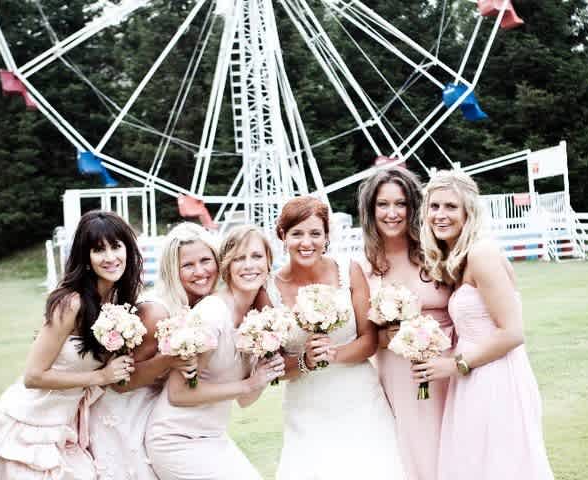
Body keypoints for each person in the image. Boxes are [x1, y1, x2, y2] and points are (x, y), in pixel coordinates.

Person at [0, 210, 143, 479]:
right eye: (99, 250)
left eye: (116, 246)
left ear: (128, 250)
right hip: (31, 425)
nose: (110, 257)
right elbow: (33, 376)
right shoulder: (70, 303)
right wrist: (101, 376)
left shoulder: (116, 303)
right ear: (86, 258)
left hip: (67, 427)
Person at [414, 170, 554, 480]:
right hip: (474, 376)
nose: (440, 215)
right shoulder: (458, 258)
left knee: (500, 466)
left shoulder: (482, 254)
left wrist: (454, 365)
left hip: (496, 376)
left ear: (468, 212)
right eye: (434, 206)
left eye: (451, 206)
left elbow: (512, 332)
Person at [266, 196, 405, 480]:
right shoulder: (269, 288)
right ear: (282, 236)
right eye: (297, 234)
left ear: (326, 236)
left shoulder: (348, 270)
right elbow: (274, 367)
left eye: (315, 233)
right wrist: (305, 361)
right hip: (306, 405)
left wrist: (334, 354)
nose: (307, 242)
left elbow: (368, 340)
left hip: (358, 398)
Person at [145, 225, 284, 480]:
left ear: (268, 262)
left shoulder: (259, 317)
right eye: (239, 258)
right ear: (227, 265)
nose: (249, 265)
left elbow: (245, 401)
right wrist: (249, 383)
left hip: (213, 436)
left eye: (256, 256)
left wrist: (264, 374)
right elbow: (178, 393)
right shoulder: (213, 312)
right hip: (177, 439)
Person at [88, 222, 218, 479]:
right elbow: (122, 383)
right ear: (172, 270)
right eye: (188, 265)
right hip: (127, 417)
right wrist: (169, 359)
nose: (200, 272)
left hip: (164, 417)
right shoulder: (155, 312)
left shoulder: (206, 307)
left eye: (205, 261)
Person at [357, 167, 453, 479]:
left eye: (401, 203)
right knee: (415, 450)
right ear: (371, 210)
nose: (392, 213)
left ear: (413, 207)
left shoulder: (437, 254)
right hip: (400, 373)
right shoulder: (363, 268)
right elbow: (363, 336)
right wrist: (389, 336)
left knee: (455, 445)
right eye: (383, 204)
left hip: (449, 366)